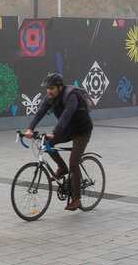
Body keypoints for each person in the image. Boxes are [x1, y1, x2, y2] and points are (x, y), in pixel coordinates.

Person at [24, 72, 94, 211]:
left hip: (82, 131)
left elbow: (66, 116)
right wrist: (30, 129)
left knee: (74, 162)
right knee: (46, 144)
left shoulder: (71, 96)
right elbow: (40, 113)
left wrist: (55, 133)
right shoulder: (50, 97)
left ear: (59, 87)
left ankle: (76, 199)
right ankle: (62, 168)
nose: (48, 91)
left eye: (51, 88)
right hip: (68, 130)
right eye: (47, 88)